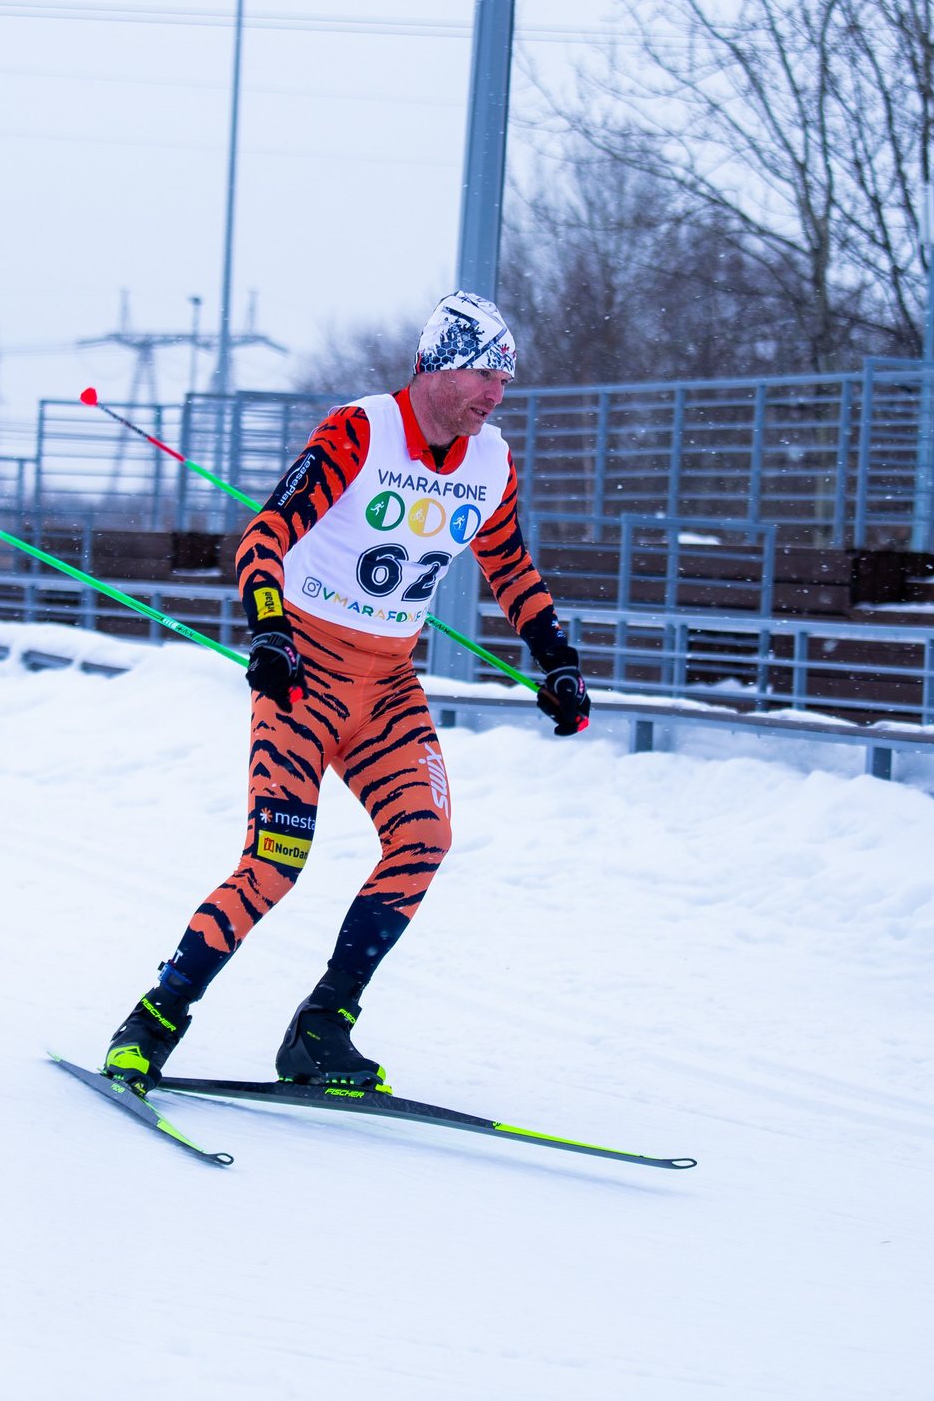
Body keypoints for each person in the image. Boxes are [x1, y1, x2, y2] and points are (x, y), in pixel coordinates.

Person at [103, 291, 591, 1095]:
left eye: (505, 381)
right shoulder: (361, 430)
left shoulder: (490, 459)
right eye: (484, 375)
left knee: (425, 837)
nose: (496, 394)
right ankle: (152, 1021)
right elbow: (265, 537)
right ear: (437, 367)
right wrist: (268, 631)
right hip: (306, 675)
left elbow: (508, 563)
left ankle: (323, 1024)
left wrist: (557, 656)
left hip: (389, 684)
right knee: (274, 862)